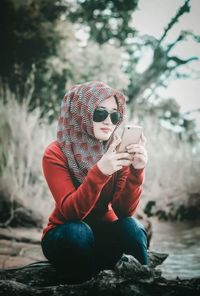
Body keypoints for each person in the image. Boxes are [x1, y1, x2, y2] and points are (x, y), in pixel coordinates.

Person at [41, 81, 148, 284]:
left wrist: (137, 170)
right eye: (99, 113)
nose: (108, 121)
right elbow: (72, 213)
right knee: (78, 231)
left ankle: (146, 286)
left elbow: (124, 211)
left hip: (104, 237)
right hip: (65, 236)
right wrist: (101, 172)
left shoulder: (116, 149)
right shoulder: (56, 153)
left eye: (114, 115)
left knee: (132, 227)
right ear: (81, 112)